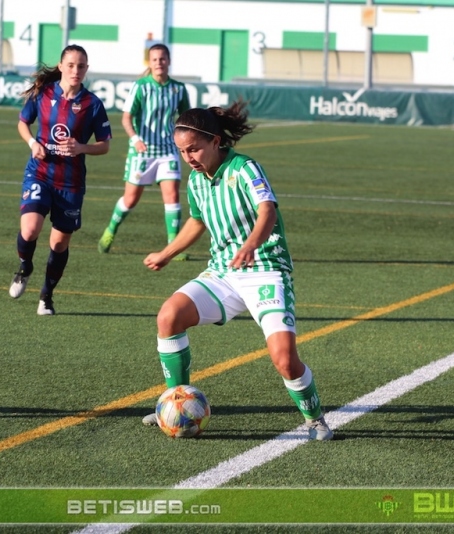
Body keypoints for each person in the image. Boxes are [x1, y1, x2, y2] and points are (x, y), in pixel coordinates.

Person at [141, 102, 333, 441]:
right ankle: (175, 403)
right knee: (169, 316)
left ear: (215, 141)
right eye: (183, 151)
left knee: (285, 359)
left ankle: (315, 419)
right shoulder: (197, 180)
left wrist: (251, 244)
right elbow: (197, 221)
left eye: (195, 149)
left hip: (265, 270)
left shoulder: (245, 168)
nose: (189, 157)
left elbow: (267, 210)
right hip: (223, 273)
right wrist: (167, 252)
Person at [9, 45, 112, 315]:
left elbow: (104, 145)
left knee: (58, 244)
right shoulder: (43, 94)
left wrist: (82, 148)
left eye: (81, 66)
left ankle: (46, 295)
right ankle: (24, 266)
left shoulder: (92, 104)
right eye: (71, 65)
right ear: (61, 65)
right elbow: (23, 123)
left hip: (70, 183)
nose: (75, 70)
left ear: (86, 69)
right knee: (30, 229)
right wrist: (32, 142)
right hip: (40, 172)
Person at [98, 44, 190, 258]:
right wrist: (136, 139)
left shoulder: (178, 89)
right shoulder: (141, 87)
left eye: (162, 58)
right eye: (155, 59)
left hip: (168, 150)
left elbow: (186, 119)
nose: (159, 62)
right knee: (130, 199)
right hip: (143, 151)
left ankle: (173, 246)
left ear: (168, 61)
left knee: (172, 195)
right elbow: (126, 117)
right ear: (150, 62)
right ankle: (110, 230)